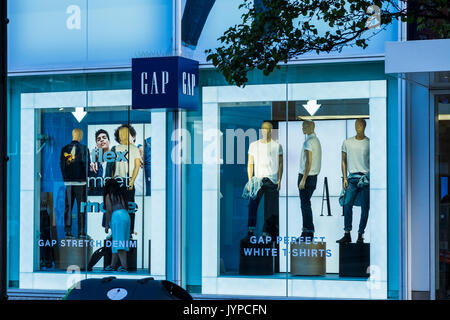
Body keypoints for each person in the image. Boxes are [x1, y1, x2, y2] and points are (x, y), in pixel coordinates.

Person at [337, 119, 370, 244]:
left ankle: (360, 234)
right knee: (346, 203)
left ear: (364, 126)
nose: (358, 127)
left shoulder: (369, 143)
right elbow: (343, 160)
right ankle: (347, 233)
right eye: (356, 125)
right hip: (352, 178)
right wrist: (344, 178)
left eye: (361, 125)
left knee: (365, 207)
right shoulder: (347, 142)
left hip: (366, 178)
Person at [298, 120, 322, 240]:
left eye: (305, 126)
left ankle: (307, 232)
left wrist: (303, 179)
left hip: (307, 177)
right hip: (314, 177)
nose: (303, 128)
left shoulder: (308, 142)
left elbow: (308, 161)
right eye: (303, 125)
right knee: (306, 204)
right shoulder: (316, 141)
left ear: (312, 126)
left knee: (305, 205)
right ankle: (308, 231)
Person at [103, 179, 131, 272]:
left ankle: (124, 266)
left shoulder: (109, 196)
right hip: (126, 216)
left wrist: (107, 225)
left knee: (119, 244)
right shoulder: (121, 195)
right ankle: (112, 265)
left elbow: (109, 211)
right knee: (118, 242)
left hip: (117, 217)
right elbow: (125, 207)